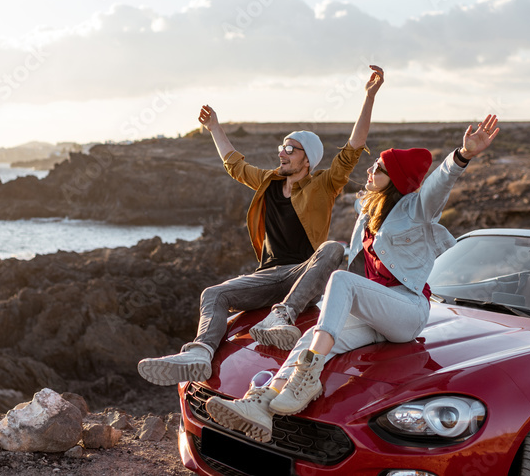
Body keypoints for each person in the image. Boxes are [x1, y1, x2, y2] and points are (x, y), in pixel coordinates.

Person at [205, 114, 500, 442]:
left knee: (342, 281)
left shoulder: (417, 209)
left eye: (380, 167)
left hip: (406, 309)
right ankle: (262, 406)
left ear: (397, 179)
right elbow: (355, 262)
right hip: (374, 310)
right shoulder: (368, 212)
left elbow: (439, 182)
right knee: (312, 334)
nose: (371, 169)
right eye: (374, 164)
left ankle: (309, 375)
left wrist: (462, 155)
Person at [136, 66, 385, 386]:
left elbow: (352, 149)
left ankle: (283, 316)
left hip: (303, 274)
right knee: (213, 294)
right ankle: (199, 352)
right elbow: (235, 165)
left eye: (290, 148)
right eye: (282, 146)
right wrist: (214, 127)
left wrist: (368, 97)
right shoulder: (269, 181)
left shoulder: (323, 184)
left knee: (334, 248)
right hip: (268, 275)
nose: (282, 152)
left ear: (306, 159)